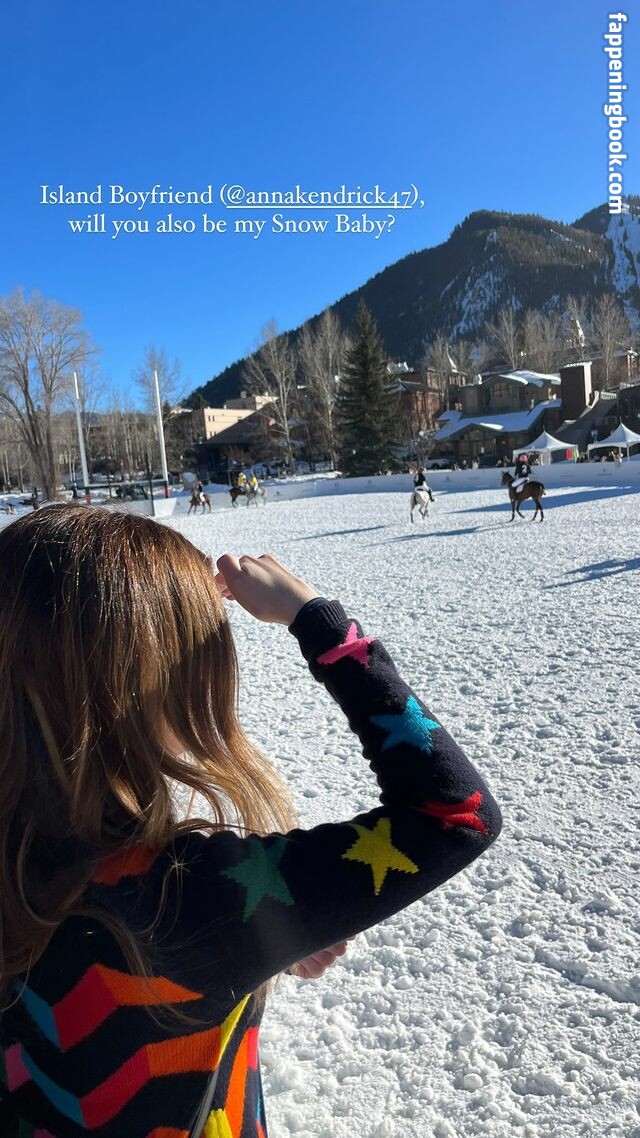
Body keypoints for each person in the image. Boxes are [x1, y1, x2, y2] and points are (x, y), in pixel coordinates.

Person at [0, 507, 501, 1138]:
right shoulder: (187, 895)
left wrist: (261, 937)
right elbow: (454, 811)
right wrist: (319, 623)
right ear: (160, 687)